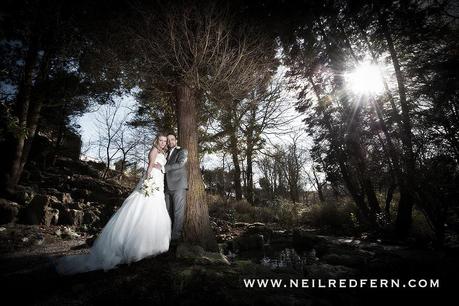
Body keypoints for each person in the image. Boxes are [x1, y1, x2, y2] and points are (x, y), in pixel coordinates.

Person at [51, 133, 171, 275]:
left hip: (159, 183)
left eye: (164, 141)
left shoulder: (163, 152)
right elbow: (149, 167)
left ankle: (152, 244)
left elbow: (161, 167)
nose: (163, 143)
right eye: (161, 140)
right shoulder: (154, 150)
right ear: (157, 141)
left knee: (155, 211)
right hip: (152, 183)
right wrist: (147, 183)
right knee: (145, 209)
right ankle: (138, 247)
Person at [155, 133, 188, 242]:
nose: (170, 142)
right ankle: (167, 235)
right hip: (167, 187)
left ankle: (175, 237)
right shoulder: (166, 153)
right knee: (167, 212)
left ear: (176, 140)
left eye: (172, 139)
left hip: (179, 186)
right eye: (168, 140)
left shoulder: (182, 151)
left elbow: (180, 164)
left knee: (178, 212)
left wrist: (163, 168)